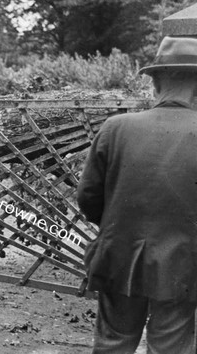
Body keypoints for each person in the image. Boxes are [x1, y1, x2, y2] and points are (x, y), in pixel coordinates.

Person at [77, 36, 197, 353]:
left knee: (112, 344)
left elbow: (88, 198)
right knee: (171, 347)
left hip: (118, 257)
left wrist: (120, 225)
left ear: (155, 82)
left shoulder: (115, 127)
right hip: (183, 264)